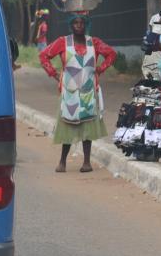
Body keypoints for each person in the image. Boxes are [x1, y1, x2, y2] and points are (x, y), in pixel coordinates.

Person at [39, 14, 117, 173]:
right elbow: (44, 56)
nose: (79, 25)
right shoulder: (63, 42)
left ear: (86, 25)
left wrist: (100, 70)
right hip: (69, 92)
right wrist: (53, 74)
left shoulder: (94, 42)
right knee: (67, 125)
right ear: (71, 25)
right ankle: (62, 161)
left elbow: (111, 54)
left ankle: (87, 162)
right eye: (75, 22)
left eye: (82, 23)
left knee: (87, 127)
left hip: (88, 91)